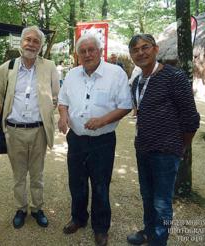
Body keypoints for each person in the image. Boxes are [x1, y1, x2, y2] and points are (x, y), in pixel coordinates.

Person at [58, 33, 132, 246]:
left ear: (100, 52)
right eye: (83, 51)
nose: (88, 54)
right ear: (78, 54)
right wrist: (63, 117)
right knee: (76, 182)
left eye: (92, 50)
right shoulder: (71, 75)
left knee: (100, 185)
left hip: (103, 140)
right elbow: (62, 101)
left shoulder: (115, 73)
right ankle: (79, 218)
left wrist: (103, 121)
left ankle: (100, 228)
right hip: (76, 139)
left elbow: (125, 105)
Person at [126, 34, 200, 246]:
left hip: (166, 153)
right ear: (131, 56)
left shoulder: (174, 77)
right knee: (147, 196)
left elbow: (191, 118)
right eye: (135, 50)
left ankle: (159, 241)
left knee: (162, 203)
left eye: (145, 47)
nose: (140, 53)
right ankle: (149, 232)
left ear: (156, 49)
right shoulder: (137, 82)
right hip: (143, 149)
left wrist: (181, 145)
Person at [0, 26, 59, 229]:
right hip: (14, 131)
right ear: (21, 42)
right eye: (28, 40)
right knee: (18, 176)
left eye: (36, 41)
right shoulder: (6, 68)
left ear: (40, 46)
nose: (31, 44)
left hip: (39, 130)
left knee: (37, 175)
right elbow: (2, 96)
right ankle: (21, 208)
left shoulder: (49, 67)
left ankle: (37, 208)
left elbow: (55, 96)